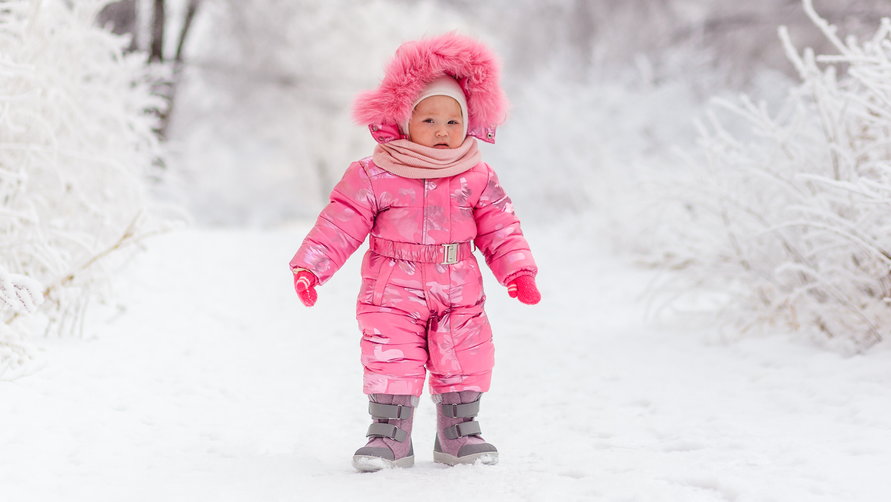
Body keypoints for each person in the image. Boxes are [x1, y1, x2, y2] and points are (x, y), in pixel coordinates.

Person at [289, 33, 540, 472]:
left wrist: (518, 271)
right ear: (404, 122)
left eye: (452, 121)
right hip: (392, 288)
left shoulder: (477, 176)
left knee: (464, 355)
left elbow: (501, 226)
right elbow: (340, 223)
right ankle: (389, 436)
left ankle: (459, 434)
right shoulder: (374, 173)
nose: (442, 132)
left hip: (458, 286)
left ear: (469, 123)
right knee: (391, 355)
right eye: (428, 121)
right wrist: (311, 267)